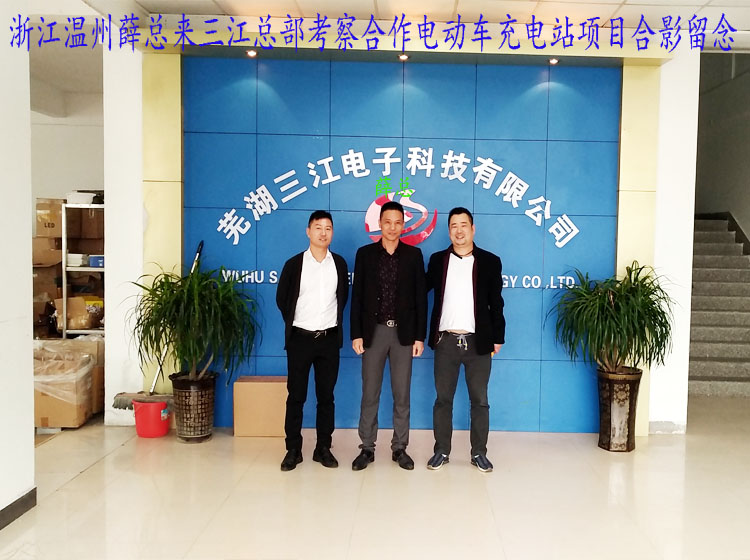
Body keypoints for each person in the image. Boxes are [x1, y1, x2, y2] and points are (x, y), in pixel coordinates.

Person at [425, 207, 505, 473]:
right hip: (446, 341)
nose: (458, 231)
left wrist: (498, 337)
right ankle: (441, 451)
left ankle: (479, 453)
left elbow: (496, 303)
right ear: (449, 231)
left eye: (463, 225)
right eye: (453, 226)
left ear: (472, 228)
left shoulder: (490, 261)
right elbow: (419, 291)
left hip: (478, 342)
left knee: (479, 400)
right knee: (442, 400)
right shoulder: (438, 260)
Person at [350, 200, 427, 471]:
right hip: (373, 332)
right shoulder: (365, 255)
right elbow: (357, 297)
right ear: (380, 224)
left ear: (403, 225)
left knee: (401, 394)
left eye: (397, 223)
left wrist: (419, 337)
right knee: (370, 392)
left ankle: (400, 448)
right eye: (387, 222)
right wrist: (356, 334)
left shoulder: (414, 256)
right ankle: (367, 448)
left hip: (403, 335)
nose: (392, 227)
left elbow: (420, 299)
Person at [276, 210, 349, 471]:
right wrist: (298, 323)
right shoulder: (294, 264)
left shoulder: (339, 263)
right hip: (300, 339)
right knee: (296, 396)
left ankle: (323, 448)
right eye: (318, 227)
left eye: (328, 228)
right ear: (308, 231)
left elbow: (342, 298)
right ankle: (293, 450)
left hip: (328, 339)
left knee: (326, 396)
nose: (323, 233)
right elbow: (282, 299)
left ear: (332, 233)